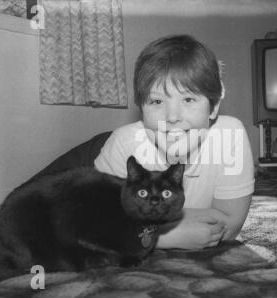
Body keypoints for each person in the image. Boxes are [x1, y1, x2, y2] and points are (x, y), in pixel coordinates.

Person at [95, 34, 255, 250]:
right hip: (94, 152)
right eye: (157, 101)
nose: (172, 117)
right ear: (141, 107)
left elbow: (230, 225)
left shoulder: (229, 135)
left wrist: (136, 222)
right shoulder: (123, 144)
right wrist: (161, 238)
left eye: (188, 99)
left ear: (214, 106)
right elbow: (95, 224)